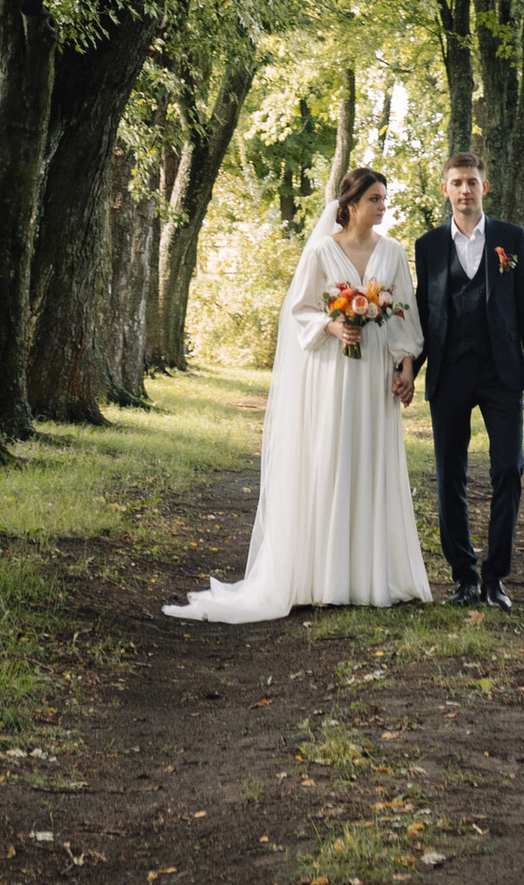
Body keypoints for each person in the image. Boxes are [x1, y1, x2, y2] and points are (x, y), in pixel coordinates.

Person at [164, 166, 430, 623]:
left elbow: (405, 316)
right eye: (375, 199)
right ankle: (324, 576)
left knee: (371, 460)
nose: (383, 207)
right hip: (333, 373)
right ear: (350, 205)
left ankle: (372, 576)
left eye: (385, 199)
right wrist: (332, 324)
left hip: (374, 378)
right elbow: (299, 309)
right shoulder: (324, 251)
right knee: (331, 459)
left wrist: (406, 367)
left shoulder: (394, 252)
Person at [406, 148, 524, 607]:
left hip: (501, 371)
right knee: (450, 475)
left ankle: (495, 578)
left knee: (509, 467)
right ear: (445, 189)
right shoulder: (428, 246)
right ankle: (464, 576)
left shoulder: (511, 238)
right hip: (449, 373)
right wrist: (408, 367)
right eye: (456, 182)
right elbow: (424, 316)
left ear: (484, 188)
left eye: (472, 182)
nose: (465, 190)